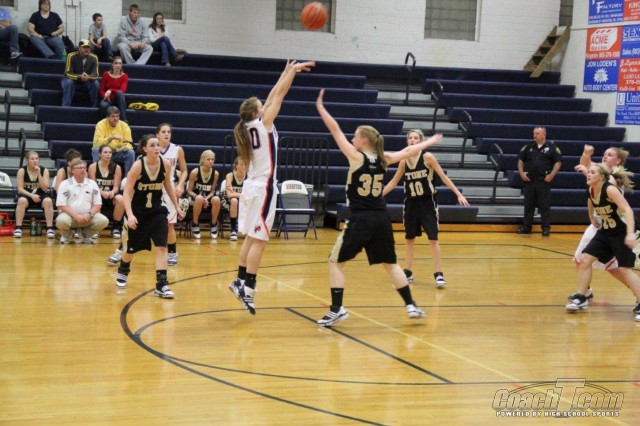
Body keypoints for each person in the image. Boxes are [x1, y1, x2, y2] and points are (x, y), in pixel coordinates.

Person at [315, 89, 442, 327]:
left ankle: (337, 309)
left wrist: (321, 108)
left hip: (360, 219)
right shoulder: (384, 159)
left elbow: (334, 130)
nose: (352, 140)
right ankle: (411, 305)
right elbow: (408, 151)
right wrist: (430, 141)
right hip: (381, 218)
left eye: (355, 137)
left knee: (335, 262)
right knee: (391, 264)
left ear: (364, 140)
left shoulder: (357, 158)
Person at [228, 59, 315, 315]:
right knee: (261, 240)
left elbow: (273, 94)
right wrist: (293, 73)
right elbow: (280, 94)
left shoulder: (248, 125)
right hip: (264, 187)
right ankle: (249, 288)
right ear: (258, 113)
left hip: (251, 186)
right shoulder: (263, 123)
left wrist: (287, 70)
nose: (265, 105)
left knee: (251, 236)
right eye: (261, 106)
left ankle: (240, 280)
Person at [382, 129, 470, 288]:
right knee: (409, 239)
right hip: (411, 203)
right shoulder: (403, 161)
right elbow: (393, 182)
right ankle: (408, 272)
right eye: (410, 138)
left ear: (421, 141)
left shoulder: (427, 157)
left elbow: (443, 176)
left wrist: (458, 194)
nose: (412, 140)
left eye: (415, 138)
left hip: (427, 202)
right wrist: (378, 195)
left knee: (433, 239)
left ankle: (439, 274)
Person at [566, 164, 640, 321]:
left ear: (601, 177)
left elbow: (628, 210)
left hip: (621, 232)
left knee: (625, 269)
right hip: (606, 231)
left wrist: (630, 234)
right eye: (588, 172)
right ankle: (582, 297)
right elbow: (591, 202)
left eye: (592, 172)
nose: (588, 174)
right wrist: (591, 217)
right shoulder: (591, 189)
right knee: (585, 259)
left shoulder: (610, 189)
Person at [116, 134, 184, 298]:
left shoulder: (165, 164)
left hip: (157, 211)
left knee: (161, 246)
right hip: (137, 213)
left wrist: (176, 206)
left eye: (157, 145)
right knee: (130, 249)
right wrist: (130, 215)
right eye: (152, 145)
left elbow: (168, 185)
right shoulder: (138, 166)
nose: (156, 148)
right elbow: (126, 193)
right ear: (144, 149)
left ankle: (161, 284)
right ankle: (123, 268)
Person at [516, 127, 562, 236]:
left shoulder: (552, 147)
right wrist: (521, 173)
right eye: (534, 133)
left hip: (543, 181)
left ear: (543, 135)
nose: (534, 135)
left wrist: (551, 175)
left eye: (537, 133)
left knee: (544, 206)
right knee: (528, 205)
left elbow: (558, 162)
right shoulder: (528, 146)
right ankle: (527, 227)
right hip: (530, 181)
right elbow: (520, 160)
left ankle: (545, 228)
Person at [55, 159, 109, 244]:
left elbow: (98, 204)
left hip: (87, 217)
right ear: (73, 170)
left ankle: (85, 235)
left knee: (103, 221)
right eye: (80, 168)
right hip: (70, 217)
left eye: (84, 168)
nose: (83, 170)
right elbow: (61, 205)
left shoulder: (92, 184)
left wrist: (89, 214)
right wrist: (76, 216)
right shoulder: (65, 184)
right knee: (61, 221)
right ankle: (66, 235)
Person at [156, 123, 188, 265]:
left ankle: (172, 253)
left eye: (168, 132)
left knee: (170, 224)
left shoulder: (177, 149)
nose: (166, 134)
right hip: (154, 188)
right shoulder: (153, 148)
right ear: (157, 134)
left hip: (169, 189)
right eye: (163, 131)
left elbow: (184, 171)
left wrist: (180, 184)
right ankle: (123, 249)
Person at [13, 150, 55, 239]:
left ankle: (50, 228)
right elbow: (20, 189)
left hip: (40, 193)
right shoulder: (22, 170)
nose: (35, 161)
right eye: (32, 159)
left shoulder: (44, 170)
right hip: (27, 194)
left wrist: (39, 173)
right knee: (21, 200)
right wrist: (31, 195)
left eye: (36, 158)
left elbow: (45, 188)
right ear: (27, 160)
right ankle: (18, 227)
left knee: (48, 201)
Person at [88, 144, 125, 239]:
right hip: (98, 194)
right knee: (94, 198)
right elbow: (92, 186)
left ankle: (116, 227)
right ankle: (96, 228)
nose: (108, 154)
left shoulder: (117, 167)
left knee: (121, 199)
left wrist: (112, 192)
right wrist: (101, 192)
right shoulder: (93, 167)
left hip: (110, 195)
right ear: (99, 154)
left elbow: (116, 187)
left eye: (110, 152)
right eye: (105, 152)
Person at [186, 150, 220, 240]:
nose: (211, 161)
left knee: (216, 199)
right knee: (199, 198)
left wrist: (206, 199)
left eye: (212, 159)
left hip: (207, 197)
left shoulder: (215, 174)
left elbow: (212, 192)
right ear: (203, 160)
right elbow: (189, 191)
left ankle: (213, 224)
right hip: (195, 197)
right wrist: (199, 197)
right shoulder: (195, 172)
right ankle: (195, 223)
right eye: (208, 159)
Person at [92, 106, 135, 175]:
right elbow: (97, 143)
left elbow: (129, 143)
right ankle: (98, 175)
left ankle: (128, 178)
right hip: (105, 152)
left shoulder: (124, 126)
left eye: (117, 116)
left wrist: (124, 146)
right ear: (107, 117)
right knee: (96, 150)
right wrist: (110, 138)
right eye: (113, 116)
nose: (115, 119)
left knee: (130, 153)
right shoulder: (100, 124)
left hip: (118, 152)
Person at [61, 39, 100, 108]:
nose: (86, 49)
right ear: (79, 48)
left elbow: (95, 74)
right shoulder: (71, 56)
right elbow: (68, 73)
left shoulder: (94, 57)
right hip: (73, 81)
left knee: (96, 83)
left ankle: (94, 108)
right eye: (84, 47)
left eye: (88, 47)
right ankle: (65, 107)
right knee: (69, 82)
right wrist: (80, 77)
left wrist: (88, 77)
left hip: (86, 82)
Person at [222, 157, 246, 242]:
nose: (244, 166)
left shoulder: (249, 176)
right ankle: (233, 230)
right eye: (241, 164)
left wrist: (236, 194)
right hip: (229, 201)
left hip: (243, 201)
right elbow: (229, 195)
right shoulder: (230, 175)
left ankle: (250, 229)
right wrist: (244, 195)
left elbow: (250, 195)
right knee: (234, 200)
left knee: (255, 201)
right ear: (236, 166)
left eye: (245, 164)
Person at [99, 56, 128, 121]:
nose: (118, 65)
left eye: (120, 63)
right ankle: (105, 123)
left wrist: (110, 90)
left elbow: (122, 90)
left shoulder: (124, 76)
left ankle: (123, 120)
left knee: (119, 93)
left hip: (118, 99)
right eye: (116, 63)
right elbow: (101, 89)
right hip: (108, 98)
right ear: (112, 64)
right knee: (103, 105)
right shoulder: (105, 74)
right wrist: (105, 96)